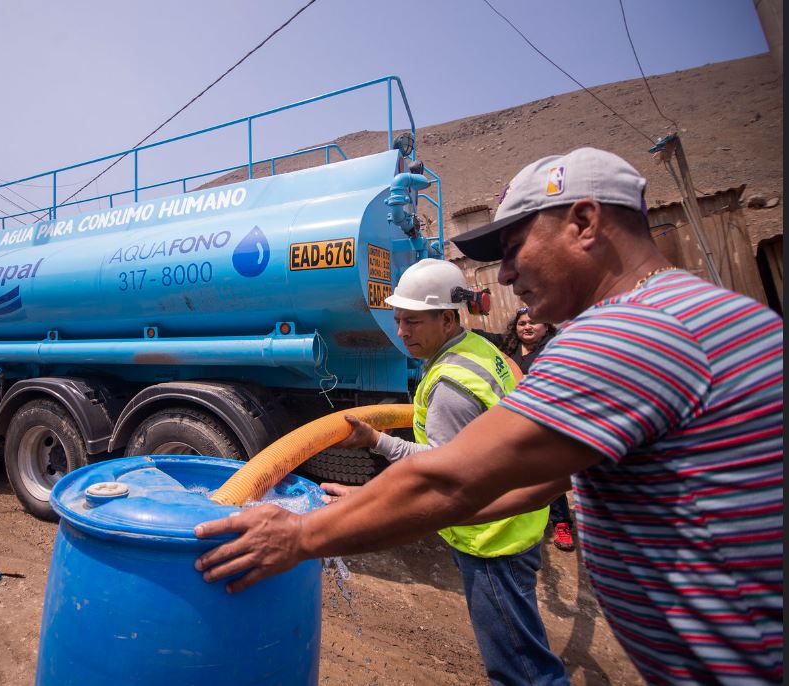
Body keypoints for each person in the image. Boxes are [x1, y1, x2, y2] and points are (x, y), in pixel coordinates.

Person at [194, 148, 783, 684]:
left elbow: (451, 478)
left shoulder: (627, 335)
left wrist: (300, 535)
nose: (502, 276)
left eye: (513, 248)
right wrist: (394, 503)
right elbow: (542, 477)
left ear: (583, 223)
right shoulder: (692, 311)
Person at [323, 258, 568, 686]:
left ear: (448, 318)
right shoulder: (480, 350)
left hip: (491, 539)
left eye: (414, 322)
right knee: (523, 648)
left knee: (522, 670)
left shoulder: (450, 385)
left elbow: (440, 469)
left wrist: (378, 449)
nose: (402, 333)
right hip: (515, 525)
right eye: (398, 320)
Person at [476, 308, 576, 552]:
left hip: (544, 421)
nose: (527, 327)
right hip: (514, 420)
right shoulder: (511, 347)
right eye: (522, 323)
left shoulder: (555, 350)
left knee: (545, 474)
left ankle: (562, 523)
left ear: (546, 326)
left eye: (534, 322)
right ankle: (520, 516)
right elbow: (483, 336)